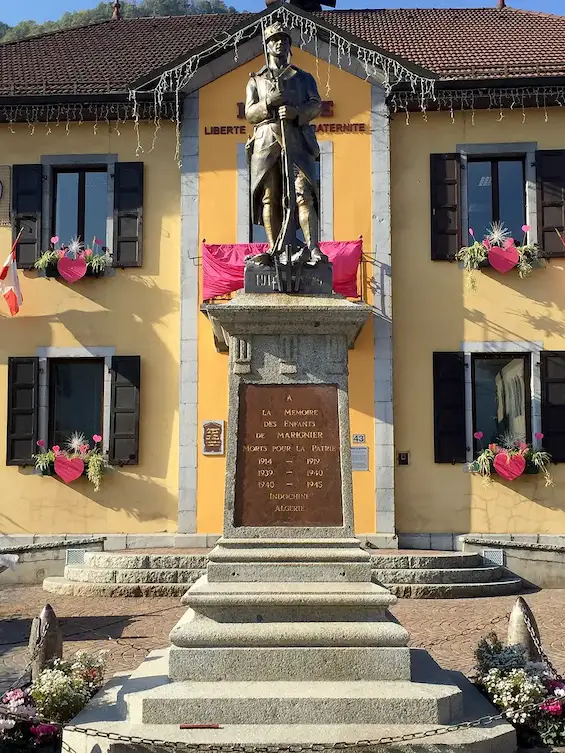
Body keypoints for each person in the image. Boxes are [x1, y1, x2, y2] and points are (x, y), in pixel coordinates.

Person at [245, 22, 324, 266]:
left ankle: (312, 248)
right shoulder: (256, 80)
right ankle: (274, 248)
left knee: (304, 194)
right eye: (274, 40)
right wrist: (268, 101)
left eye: (284, 39)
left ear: (290, 45)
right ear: (267, 45)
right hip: (267, 140)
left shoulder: (303, 78)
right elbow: (249, 114)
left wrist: (296, 112)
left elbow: (316, 104)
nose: (279, 43)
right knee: (270, 196)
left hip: (297, 139)